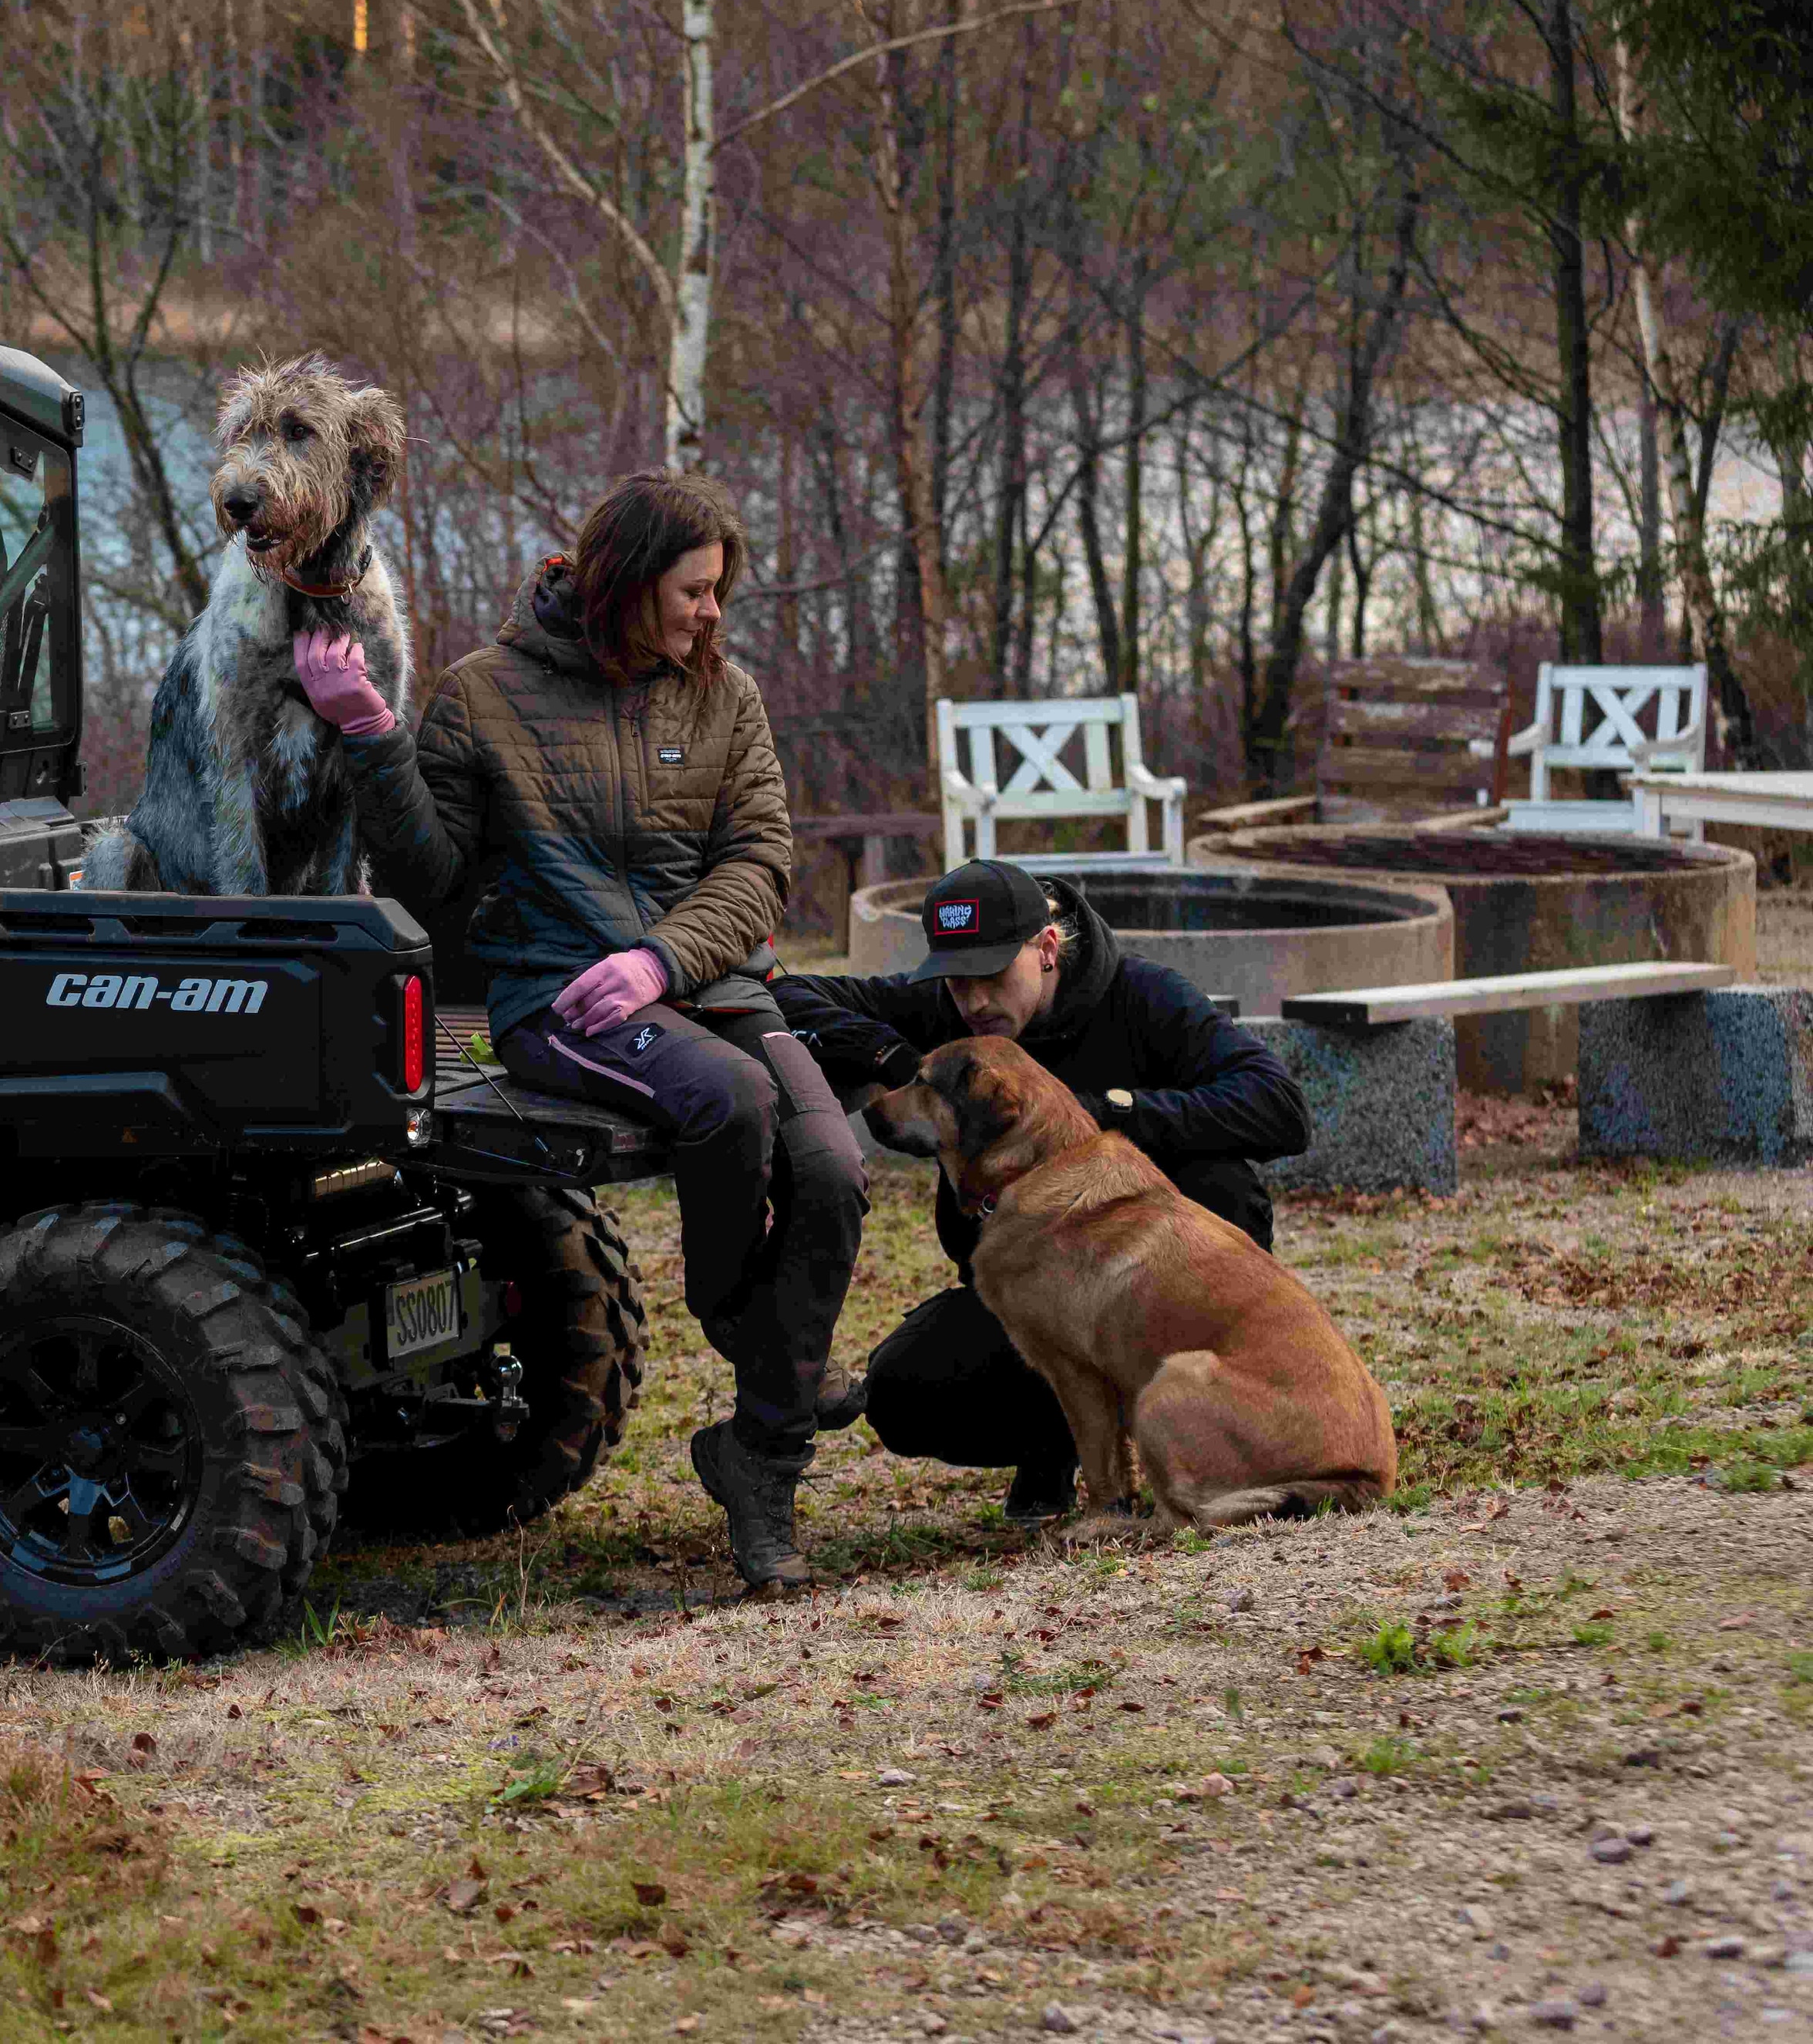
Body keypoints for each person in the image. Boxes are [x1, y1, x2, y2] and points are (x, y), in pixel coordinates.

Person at [297, 470, 870, 1591]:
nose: (713, 614)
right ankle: (763, 1353)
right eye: (694, 591)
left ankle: (754, 1454)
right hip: (553, 1002)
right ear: (626, 581)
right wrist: (371, 736)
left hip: (708, 983)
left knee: (837, 1168)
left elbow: (760, 864)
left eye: (719, 593)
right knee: (732, 1102)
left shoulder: (724, 698)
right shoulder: (483, 695)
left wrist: (662, 955)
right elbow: (432, 879)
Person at [782, 857, 1314, 1522]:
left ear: (1047, 947)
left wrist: (1106, 1115)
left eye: (992, 975)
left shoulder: (1144, 997)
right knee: (903, 1390)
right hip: (1032, 1301)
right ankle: (1055, 1445)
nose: (973, 1001)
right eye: (955, 980)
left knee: (1220, 1189)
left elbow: (1281, 1107)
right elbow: (788, 993)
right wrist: (896, 1059)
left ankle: (1214, 1439)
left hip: (1164, 1296)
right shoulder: (953, 1021)